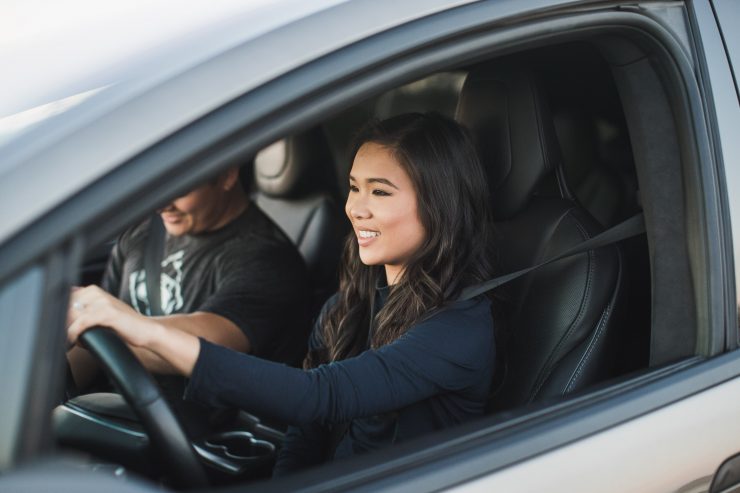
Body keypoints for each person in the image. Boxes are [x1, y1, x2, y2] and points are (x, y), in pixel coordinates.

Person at [67, 112, 497, 474]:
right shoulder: (350, 304)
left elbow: (314, 397)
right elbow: (305, 435)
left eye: (380, 192)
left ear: (438, 204)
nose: (356, 208)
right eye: (353, 187)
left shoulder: (458, 328)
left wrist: (143, 330)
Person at [68, 166, 310, 433]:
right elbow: (89, 343)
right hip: (119, 416)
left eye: (180, 188)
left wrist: (102, 324)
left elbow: (209, 348)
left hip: (192, 441)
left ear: (228, 175)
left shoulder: (267, 261)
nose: (162, 204)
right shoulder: (142, 233)